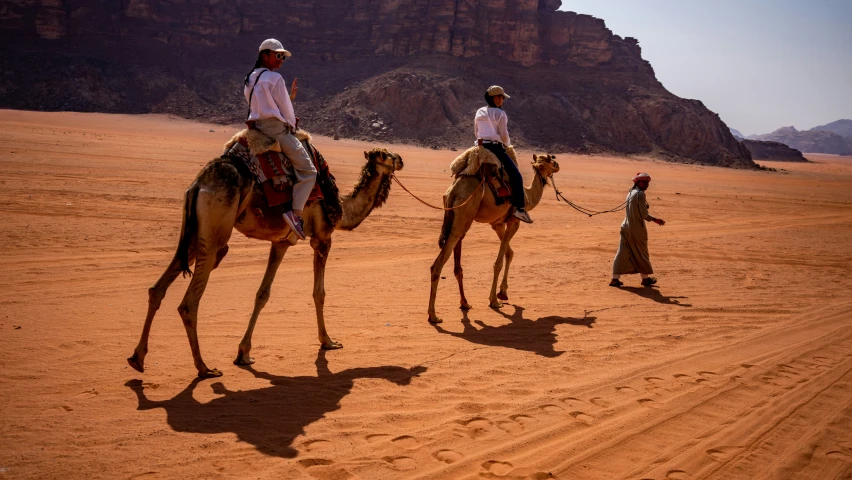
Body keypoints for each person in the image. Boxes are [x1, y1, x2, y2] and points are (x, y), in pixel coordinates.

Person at [243, 38, 315, 240]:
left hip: (256, 129)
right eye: (278, 55)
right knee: (309, 171)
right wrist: (292, 124)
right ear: (265, 55)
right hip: (276, 131)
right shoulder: (275, 79)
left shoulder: (250, 77)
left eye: (283, 57)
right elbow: (287, 111)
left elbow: (261, 103)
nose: (281, 59)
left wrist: (288, 98)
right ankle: (296, 214)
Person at [474, 86, 532, 223]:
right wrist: (507, 145)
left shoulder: (479, 111)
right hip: (496, 149)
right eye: (501, 98)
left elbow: (476, 131)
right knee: (516, 176)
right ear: (495, 98)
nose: (502, 100)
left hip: (480, 147)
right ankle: (519, 209)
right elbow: (504, 135)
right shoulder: (501, 114)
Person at [610, 172, 665, 287]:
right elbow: (644, 214)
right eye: (644, 182)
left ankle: (615, 279)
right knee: (642, 253)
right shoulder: (640, 194)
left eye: (647, 182)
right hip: (636, 229)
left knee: (622, 252)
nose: (646, 184)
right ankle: (645, 279)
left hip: (625, 226)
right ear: (637, 182)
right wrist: (656, 220)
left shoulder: (630, 192)